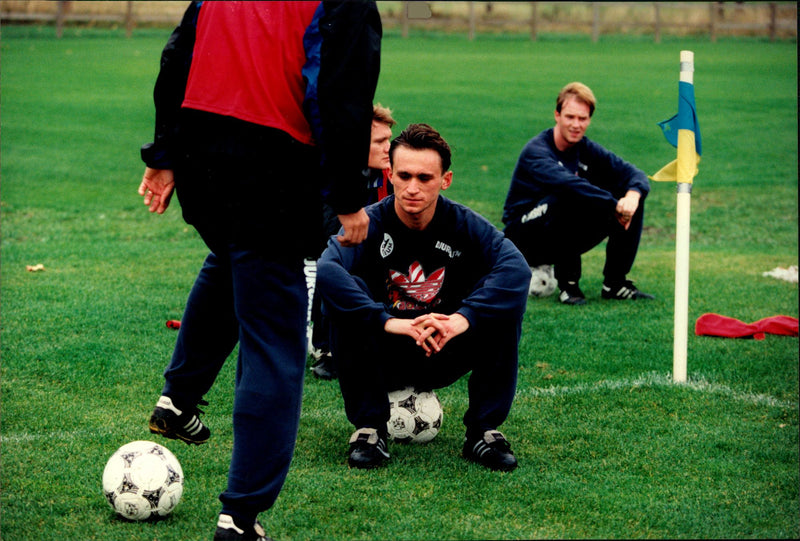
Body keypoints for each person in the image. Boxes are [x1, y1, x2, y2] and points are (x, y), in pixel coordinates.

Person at [136, 2, 381, 540]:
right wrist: (347, 198)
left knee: (231, 258)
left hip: (203, 157)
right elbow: (340, 93)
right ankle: (240, 518)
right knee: (274, 339)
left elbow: (177, 58)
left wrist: (165, 153)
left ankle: (176, 400)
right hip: (270, 162)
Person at [316, 123, 531, 472]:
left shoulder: (465, 224)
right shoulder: (370, 222)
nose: (412, 188)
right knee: (343, 299)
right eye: (404, 175)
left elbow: (516, 269)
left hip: (444, 343)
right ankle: (369, 428)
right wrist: (387, 322)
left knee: (504, 308)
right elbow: (328, 269)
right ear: (390, 173)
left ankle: (483, 430)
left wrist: (462, 319)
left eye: (425, 178)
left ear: (445, 180)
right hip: (385, 348)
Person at [502, 82, 654, 305]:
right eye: (570, 117)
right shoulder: (537, 151)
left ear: (589, 119)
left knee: (631, 199)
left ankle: (615, 284)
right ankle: (569, 286)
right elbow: (569, 185)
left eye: (582, 119)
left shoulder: (585, 148)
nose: (576, 125)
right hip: (522, 236)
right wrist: (614, 206)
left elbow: (633, 173)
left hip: (556, 229)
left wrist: (631, 197)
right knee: (566, 197)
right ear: (557, 115)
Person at [309, 103, 397, 380]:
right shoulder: (328, 185)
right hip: (319, 266)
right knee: (334, 267)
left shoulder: (393, 175)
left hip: (377, 260)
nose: (389, 148)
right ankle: (325, 345)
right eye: (380, 141)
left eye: (389, 140)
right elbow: (326, 259)